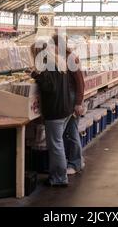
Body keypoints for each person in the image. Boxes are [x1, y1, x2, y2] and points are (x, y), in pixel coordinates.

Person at [30, 37, 74, 187]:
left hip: (55, 111)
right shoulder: (58, 61)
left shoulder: (45, 64)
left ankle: (60, 178)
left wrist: (35, 75)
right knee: (58, 144)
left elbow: (50, 86)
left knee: (56, 146)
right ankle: (58, 175)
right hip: (65, 109)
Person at [51, 34, 85, 176]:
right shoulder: (62, 58)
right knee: (70, 132)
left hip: (72, 99)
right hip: (68, 99)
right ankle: (77, 160)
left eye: (53, 46)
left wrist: (78, 103)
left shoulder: (70, 58)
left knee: (71, 132)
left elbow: (80, 82)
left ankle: (75, 163)